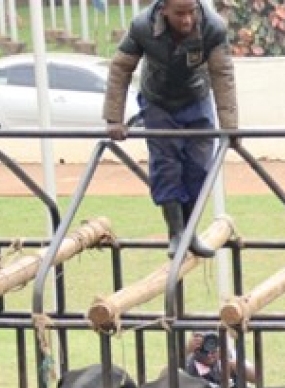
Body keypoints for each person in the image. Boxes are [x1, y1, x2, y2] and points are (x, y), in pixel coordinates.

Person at [102, 0, 238, 259]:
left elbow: (223, 74)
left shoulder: (213, 27)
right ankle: (176, 232)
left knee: (199, 167)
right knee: (167, 166)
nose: (187, 20)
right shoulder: (142, 26)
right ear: (163, 9)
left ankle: (190, 232)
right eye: (179, 14)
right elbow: (120, 68)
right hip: (158, 102)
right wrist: (113, 119)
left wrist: (231, 129)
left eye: (191, 12)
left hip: (197, 98)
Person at [185, 332, 257, 388]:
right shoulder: (188, 363)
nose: (209, 353)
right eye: (202, 349)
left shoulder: (229, 354)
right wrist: (188, 351)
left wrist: (232, 365)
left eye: (213, 343)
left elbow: (256, 377)